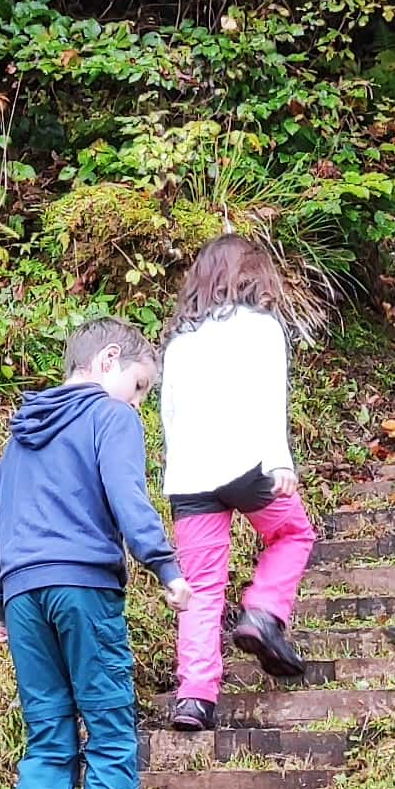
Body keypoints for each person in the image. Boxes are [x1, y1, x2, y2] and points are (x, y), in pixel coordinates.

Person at [0, 317, 174, 789]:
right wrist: (164, 565)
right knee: (109, 726)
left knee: (50, 737)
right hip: (83, 586)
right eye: (139, 386)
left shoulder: (23, 432)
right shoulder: (111, 417)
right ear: (108, 361)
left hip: (23, 594)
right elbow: (127, 496)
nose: (138, 402)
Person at [158, 228, 328, 722]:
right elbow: (269, 397)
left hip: (189, 476)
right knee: (293, 533)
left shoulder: (180, 341)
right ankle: (262, 612)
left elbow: (170, 415)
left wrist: (178, 469)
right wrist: (280, 462)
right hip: (248, 465)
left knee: (200, 586)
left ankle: (195, 697)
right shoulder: (261, 327)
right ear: (254, 275)